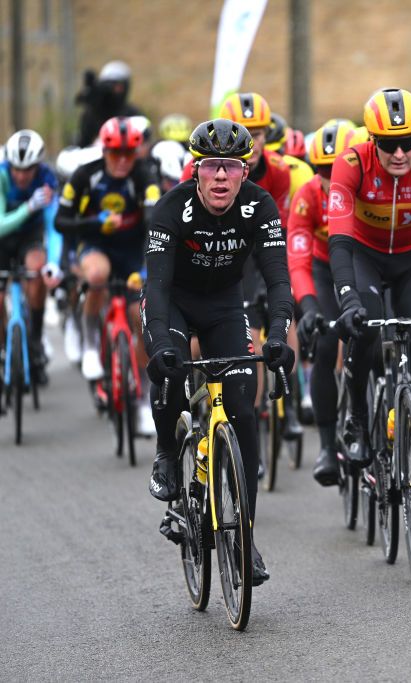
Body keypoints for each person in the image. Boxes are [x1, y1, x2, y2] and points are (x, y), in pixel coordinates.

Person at [144, 118, 294, 586]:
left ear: (245, 172)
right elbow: (156, 287)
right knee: (169, 368)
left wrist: (276, 336)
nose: (222, 176)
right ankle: (168, 451)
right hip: (175, 303)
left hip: (226, 306)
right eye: (212, 167)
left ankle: (244, 536)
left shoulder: (260, 206)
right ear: (197, 171)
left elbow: (277, 279)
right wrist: (162, 344)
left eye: (231, 166)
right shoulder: (170, 211)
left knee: (243, 413)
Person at [327, 88, 411, 539]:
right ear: (372, 140)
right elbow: (340, 242)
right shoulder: (350, 164)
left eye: (409, 140)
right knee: (362, 329)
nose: (401, 152)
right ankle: (358, 421)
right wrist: (347, 299)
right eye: (389, 144)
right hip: (363, 257)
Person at [199, 92, 303, 440]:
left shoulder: (280, 171)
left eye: (259, 133)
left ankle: (287, 400)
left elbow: (279, 235)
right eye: (248, 131)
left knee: (280, 313)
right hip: (221, 255)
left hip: (260, 250)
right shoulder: (204, 169)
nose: (254, 141)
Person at [56, 116, 161, 435]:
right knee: (97, 276)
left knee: (139, 319)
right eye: (116, 154)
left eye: (129, 154)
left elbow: (154, 223)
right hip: (97, 245)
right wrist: (95, 223)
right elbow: (61, 222)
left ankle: (143, 401)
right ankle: (90, 343)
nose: (123, 161)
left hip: (132, 253)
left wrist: (145, 268)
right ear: (105, 151)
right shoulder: (84, 175)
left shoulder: (145, 177)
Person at [288, 121, 348, 483]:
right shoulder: (309, 196)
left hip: (362, 266)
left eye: (337, 168)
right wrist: (308, 305)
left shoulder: (367, 190)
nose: (330, 178)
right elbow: (297, 258)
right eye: (322, 170)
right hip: (324, 268)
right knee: (325, 346)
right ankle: (328, 445)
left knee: (375, 344)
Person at [1, 130, 61, 384]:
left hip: (30, 238)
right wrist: (28, 208)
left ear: (37, 166)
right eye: (17, 169)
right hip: (3, 238)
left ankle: (35, 338)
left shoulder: (47, 180)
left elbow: (54, 228)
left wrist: (54, 264)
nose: (21, 175)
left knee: (37, 271)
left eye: (28, 170)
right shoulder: (2, 175)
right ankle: (5, 348)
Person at [75, 60, 143, 147]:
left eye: (118, 87)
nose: (112, 92)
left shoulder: (132, 114)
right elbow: (82, 145)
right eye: (108, 86)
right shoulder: (90, 114)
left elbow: (142, 145)